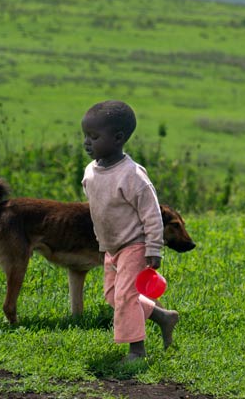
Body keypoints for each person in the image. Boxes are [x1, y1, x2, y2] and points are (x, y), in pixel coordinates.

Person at [81, 100, 180, 362]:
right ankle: (163, 317)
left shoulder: (132, 176)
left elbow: (152, 215)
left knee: (125, 296)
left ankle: (137, 351)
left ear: (118, 138)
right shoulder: (90, 172)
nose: (87, 143)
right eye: (85, 136)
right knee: (113, 296)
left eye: (94, 137)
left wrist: (153, 248)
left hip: (134, 244)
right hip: (111, 246)